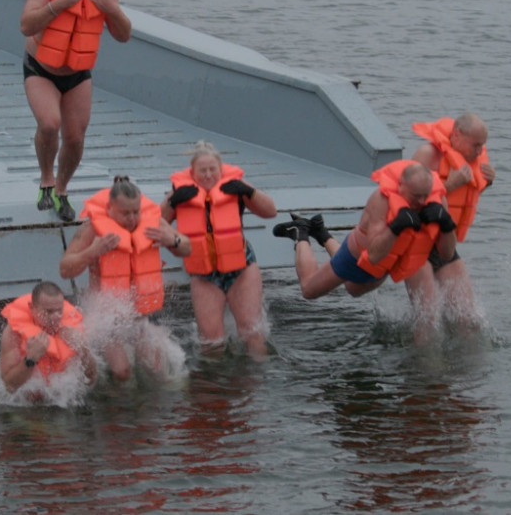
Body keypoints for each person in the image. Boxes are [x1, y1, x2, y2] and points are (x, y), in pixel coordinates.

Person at [273, 160, 458, 343]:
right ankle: (301, 232)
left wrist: (448, 226)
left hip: (395, 260)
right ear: (401, 186)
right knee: (310, 290)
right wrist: (395, 227)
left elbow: (447, 255)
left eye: (425, 195)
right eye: (416, 196)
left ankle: (322, 233)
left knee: (424, 311)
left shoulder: (437, 199)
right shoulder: (381, 201)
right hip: (361, 254)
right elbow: (374, 255)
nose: (421, 202)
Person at [20, 0, 132, 222]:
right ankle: (46, 179)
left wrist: (114, 11)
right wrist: (58, 5)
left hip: (78, 75)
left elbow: (124, 35)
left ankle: (61, 189)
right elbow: (26, 25)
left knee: (75, 137)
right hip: (41, 69)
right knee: (49, 124)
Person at [59, 176, 191, 381]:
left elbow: (186, 247)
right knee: (122, 373)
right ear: (110, 209)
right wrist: (91, 252)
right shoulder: (92, 229)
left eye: (135, 212)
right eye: (125, 213)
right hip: (108, 317)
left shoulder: (153, 223)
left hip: (143, 314)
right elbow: (65, 269)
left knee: (157, 371)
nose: (132, 219)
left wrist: (172, 240)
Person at [160, 141, 278, 359]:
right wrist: (173, 202)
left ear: (220, 169)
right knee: (211, 343)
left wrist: (248, 191)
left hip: (242, 267)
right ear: (192, 172)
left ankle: (257, 385)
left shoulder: (236, 185)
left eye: (212, 169)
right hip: (204, 275)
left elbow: (271, 211)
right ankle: (215, 389)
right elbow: (155, 223)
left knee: (251, 333)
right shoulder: (178, 192)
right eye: (202, 171)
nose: (207, 175)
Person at [410, 113, 496, 328]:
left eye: (482, 146)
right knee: (428, 321)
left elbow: (461, 203)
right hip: (415, 245)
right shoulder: (427, 155)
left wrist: (486, 183)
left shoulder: (471, 161)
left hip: (444, 245)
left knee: (468, 320)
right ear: (456, 136)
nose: (479, 151)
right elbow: (407, 203)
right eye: (475, 145)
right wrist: (450, 185)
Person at [0, 281, 98, 394]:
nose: (56, 317)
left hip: (61, 398)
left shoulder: (72, 329)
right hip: (27, 404)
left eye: (59, 310)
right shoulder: (13, 333)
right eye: (49, 311)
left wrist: (83, 349)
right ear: (32, 308)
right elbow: (9, 386)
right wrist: (30, 359)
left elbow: (90, 380)